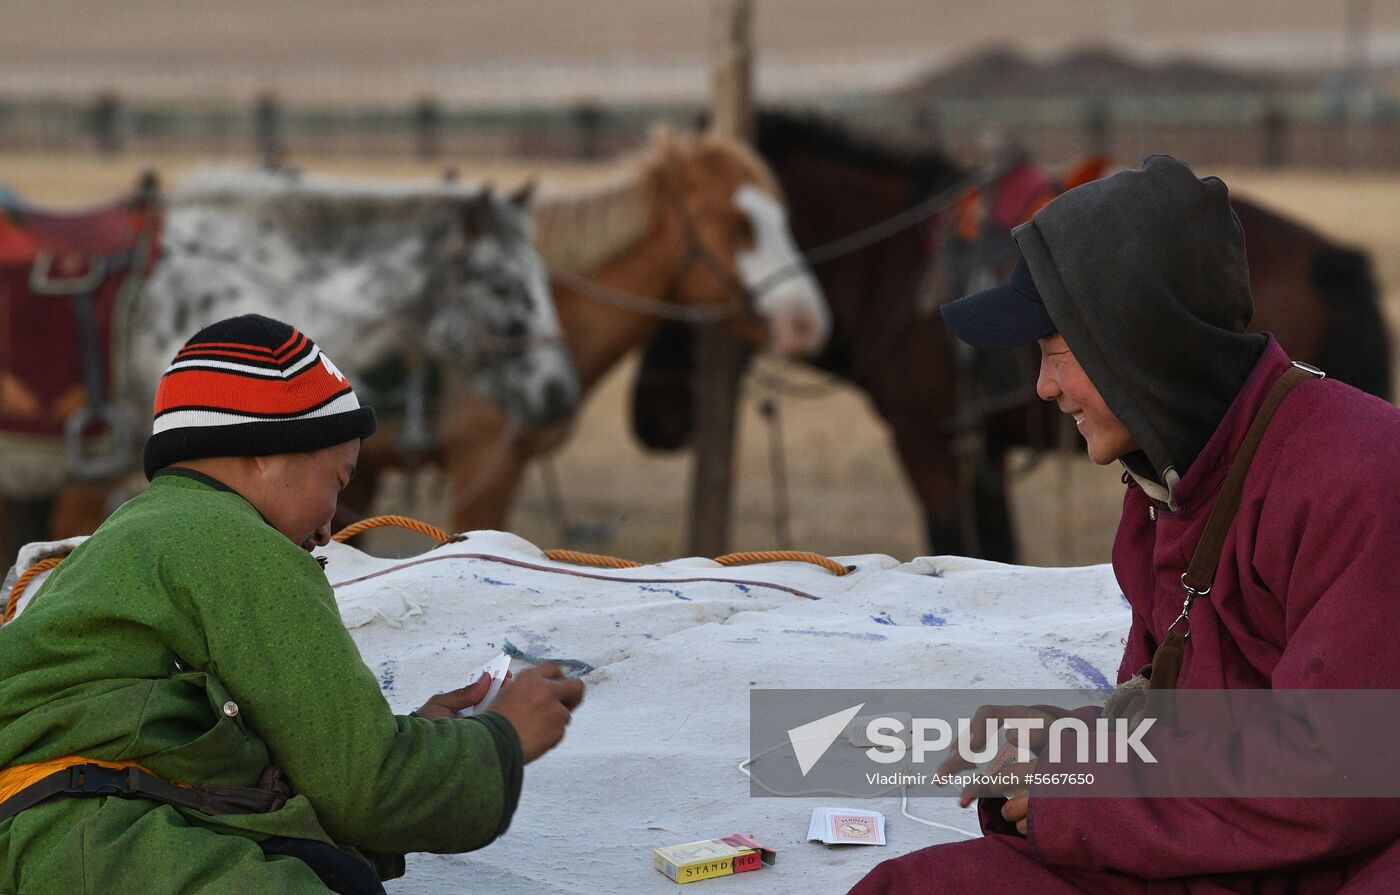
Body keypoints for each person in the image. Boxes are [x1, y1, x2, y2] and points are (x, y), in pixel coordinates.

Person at [851, 156, 1400, 893]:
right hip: (1230, 852)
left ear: (1139, 347)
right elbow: (1192, 731)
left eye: (1056, 354)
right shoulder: (1166, 485)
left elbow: (1346, 772)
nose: (1043, 387)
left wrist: (1085, 791)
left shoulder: (1359, 478)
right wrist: (1067, 747)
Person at [0, 314, 584, 894]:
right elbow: (366, 791)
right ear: (265, 451)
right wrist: (503, 738)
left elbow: (289, 761)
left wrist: (421, 739)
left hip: (52, 839)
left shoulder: (142, 532)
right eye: (338, 480)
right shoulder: (233, 540)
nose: (332, 527)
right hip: (95, 843)